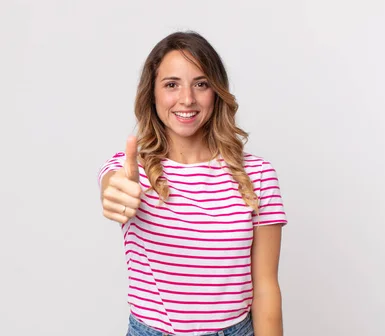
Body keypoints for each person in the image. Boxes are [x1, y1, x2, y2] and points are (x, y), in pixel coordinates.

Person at [97, 31, 287, 336]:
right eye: (172, 85)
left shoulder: (258, 174)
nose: (187, 99)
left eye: (201, 84)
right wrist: (116, 192)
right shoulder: (132, 168)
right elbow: (114, 186)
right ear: (153, 94)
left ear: (217, 92)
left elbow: (265, 289)